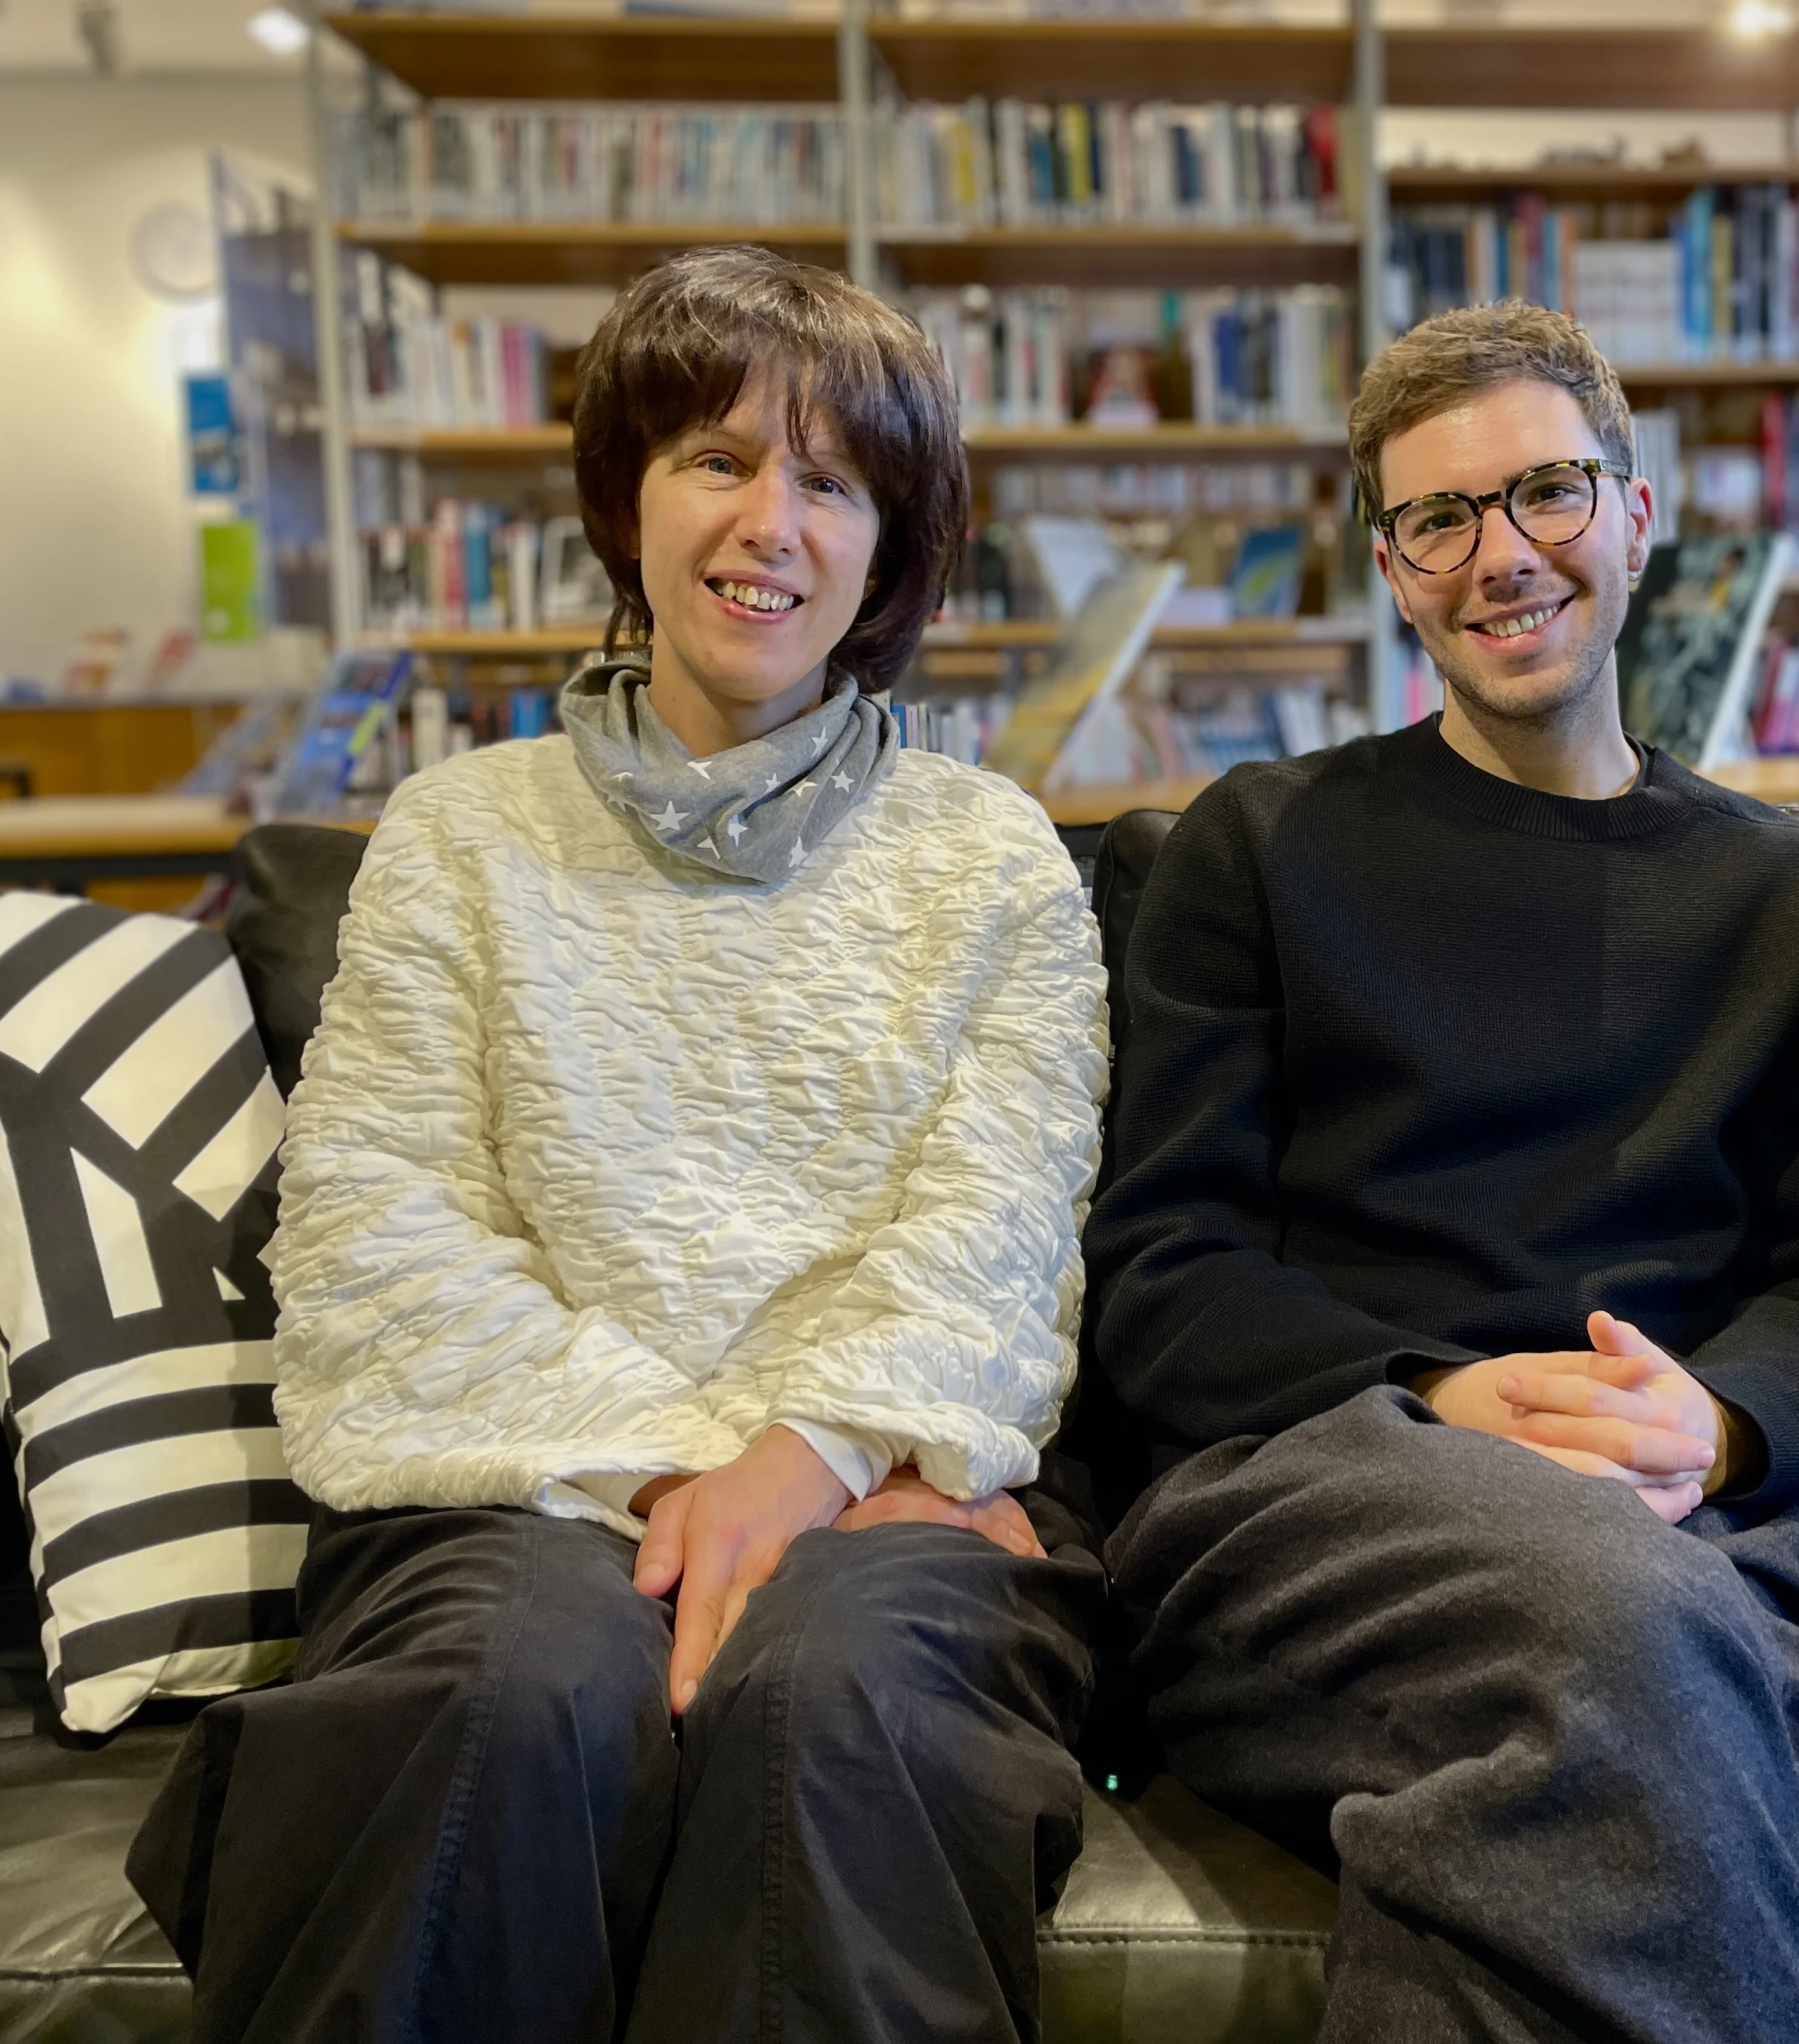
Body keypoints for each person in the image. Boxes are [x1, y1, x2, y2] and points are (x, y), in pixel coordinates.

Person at [126, 245, 1110, 2044]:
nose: (770, 523)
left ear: (891, 547)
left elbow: (996, 1229)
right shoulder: (455, 836)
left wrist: (811, 1460)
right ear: (625, 498)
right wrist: (687, 1484)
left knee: (832, 1709)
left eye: (833, 483)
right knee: (499, 1699)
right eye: (717, 459)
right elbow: (374, 1230)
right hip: (525, 1488)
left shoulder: (992, 860)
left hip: (882, 1494)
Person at [1084, 300, 1799, 2044]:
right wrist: (1447, 1394)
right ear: (1392, 567)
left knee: (1606, 1697)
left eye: (1545, 492)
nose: (1500, 556)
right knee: (1621, 1644)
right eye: (1439, 518)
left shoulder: (1784, 889)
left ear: (1633, 514)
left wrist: (1715, 1423)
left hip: (1699, 1520)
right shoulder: (1259, 847)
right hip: (1321, 1496)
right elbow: (1162, 1273)